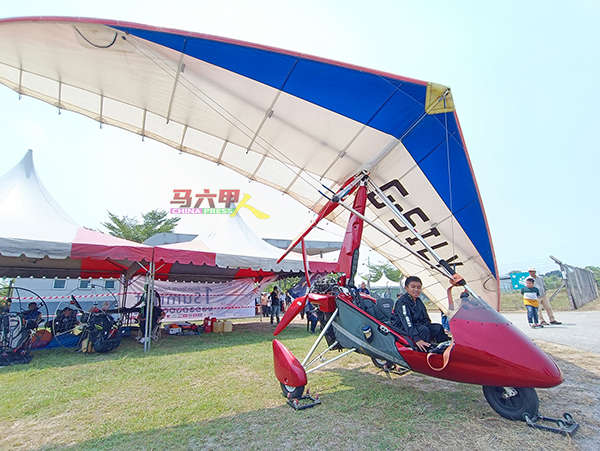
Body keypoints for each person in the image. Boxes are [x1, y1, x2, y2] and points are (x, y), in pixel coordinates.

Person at [390, 276, 449, 352]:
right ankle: (424, 350)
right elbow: (406, 321)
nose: (416, 290)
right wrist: (417, 339)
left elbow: (425, 317)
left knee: (438, 327)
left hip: (416, 325)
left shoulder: (418, 301)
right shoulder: (402, 302)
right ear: (406, 288)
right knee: (423, 329)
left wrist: (429, 326)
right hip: (403, 327)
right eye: (413, 287)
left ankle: (443, 349)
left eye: (419, 287)